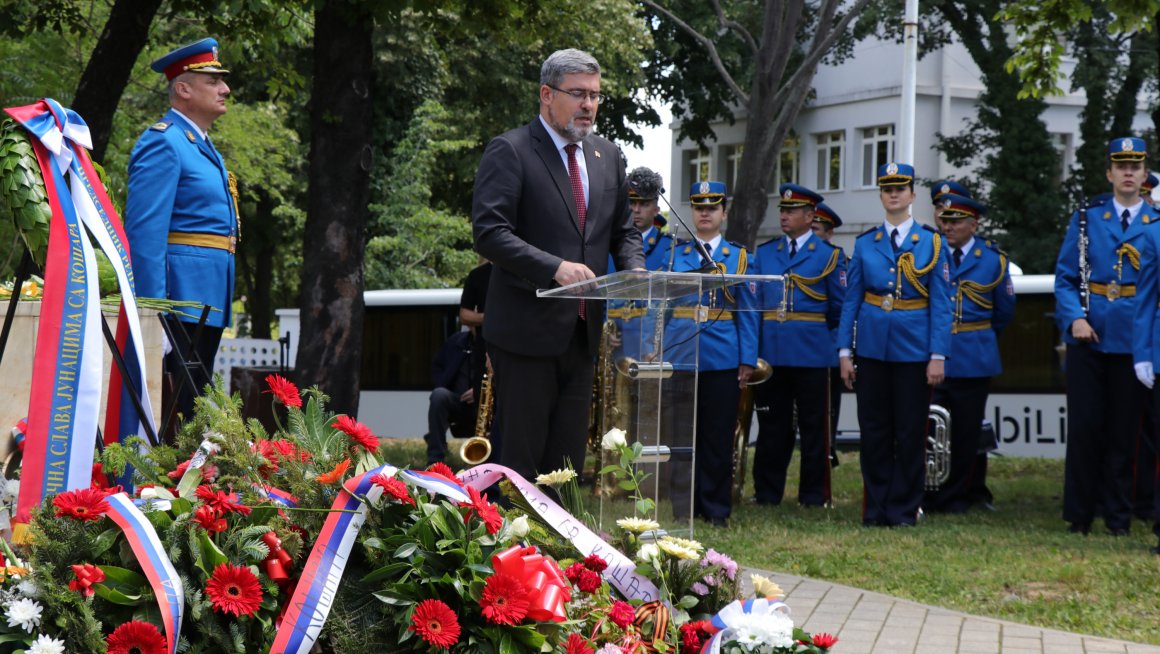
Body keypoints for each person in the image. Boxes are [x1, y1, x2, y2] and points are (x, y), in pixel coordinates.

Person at [471, 49, 644, 481]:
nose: (589, 105)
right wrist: (554, 267)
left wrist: (635, 269)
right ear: (547, 95)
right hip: (525, 333)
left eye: (596, 96)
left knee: (565, 467)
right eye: (578, 94)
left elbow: (623, 231)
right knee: (519, 463)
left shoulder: (607, 155)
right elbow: (490, 232)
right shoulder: (510, 151)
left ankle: (558, 548)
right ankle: (511, 545)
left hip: (582, 336)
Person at [124, 38, 237, 428]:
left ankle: (187, 483)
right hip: (179, 295)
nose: (225, 88)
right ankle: (162, 484)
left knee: (192, 404)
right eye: (213, 80)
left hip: (205, 292)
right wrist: (153, 309)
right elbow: (145, 231)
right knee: (174, 405)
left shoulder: (200, 144)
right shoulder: (165, 142)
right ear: (183, 89)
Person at [837, 162, 952, 527]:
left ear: (912, 195)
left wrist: (937, 355)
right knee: (874, 432)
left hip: (914, 351)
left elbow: (942, 302)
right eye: (887, 188)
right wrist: (844, 352)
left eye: (900, 188)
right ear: (882, 195)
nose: (893, 194)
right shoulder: (865, 243)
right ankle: (876, 507)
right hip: (871, 349)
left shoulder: (931, 242)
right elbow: (851, 301)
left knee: (909, 432)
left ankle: (903, 509)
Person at [1059, 137, 1157, 536]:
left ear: (1145, 173)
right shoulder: (1086, 219)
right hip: (1091, 337)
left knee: (1126, 432)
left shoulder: (1155, 220)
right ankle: (1079, 515)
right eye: (1121, 166)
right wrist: (1074, 318)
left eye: (1136, 165)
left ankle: (1119, 518)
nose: (1129, 172)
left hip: (1137, 340)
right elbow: (1066, 277)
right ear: (1109, 173)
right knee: (1084, 429)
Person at [662, 181, 758, 527]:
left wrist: (747, 359)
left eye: (712, 207)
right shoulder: (675, 254)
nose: (704, 213)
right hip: (681, 352)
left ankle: (715, 507)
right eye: (699, 207)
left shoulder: (739, 257)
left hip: (722, 356)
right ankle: (682, 506)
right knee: (680, 436)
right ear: (692, 212)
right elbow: (662, 309)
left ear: (723, 213)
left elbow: (747, 312)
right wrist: (657, 349)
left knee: (717, 436)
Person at [752, 184, 846, 507]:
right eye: (782, 210)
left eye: (791, 211)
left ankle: (813, 495)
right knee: (771, 427)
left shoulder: (829, 256)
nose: (784, 215)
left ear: (810, 216)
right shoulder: (765, 254)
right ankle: (766, 493)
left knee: (814, 427)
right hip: (772, 354)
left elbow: (838, 307)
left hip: (812, 353)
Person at [924, 194, 1015, 513]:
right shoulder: (929, 254)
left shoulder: (993, 260)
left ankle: (956, 497)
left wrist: (977, 338)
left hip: (974, 357)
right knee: (929, 430)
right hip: (932, 354)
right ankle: (928, 493)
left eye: (956, 221)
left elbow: (1003, 312)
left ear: (974, 224)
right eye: (944, 220)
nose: (947, 226)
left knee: (966, 433)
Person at [810, 202, 846, 467]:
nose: (812, 235)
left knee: (826, 408)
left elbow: (839, 307)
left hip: (827, 344)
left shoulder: (836, 258)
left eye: (816, 229)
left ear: (828, 233)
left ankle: (829, 447)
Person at [423, 330, 477, 465]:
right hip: (459, 401)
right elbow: (437, 366)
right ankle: (435, 460)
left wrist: (479, 391)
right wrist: (443, 383)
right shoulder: (457, 341)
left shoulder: (494, 342)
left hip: (487, 402)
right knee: (439, 395)